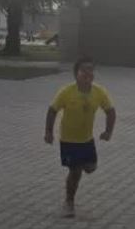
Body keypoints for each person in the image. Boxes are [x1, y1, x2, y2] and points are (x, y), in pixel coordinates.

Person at [45, 57, 116, 218]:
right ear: (76, 73)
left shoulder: (99, 92)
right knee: (75, 172)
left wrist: (108, 132)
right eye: (84, 70)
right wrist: (48, 132)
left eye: (91, 69)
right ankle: (69, 202)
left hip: (87, 139)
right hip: (69, 140)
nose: (88, 73)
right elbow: (52, 110)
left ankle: (82, 163)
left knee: (90, 168)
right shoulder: (67, 91)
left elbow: (111, 111)